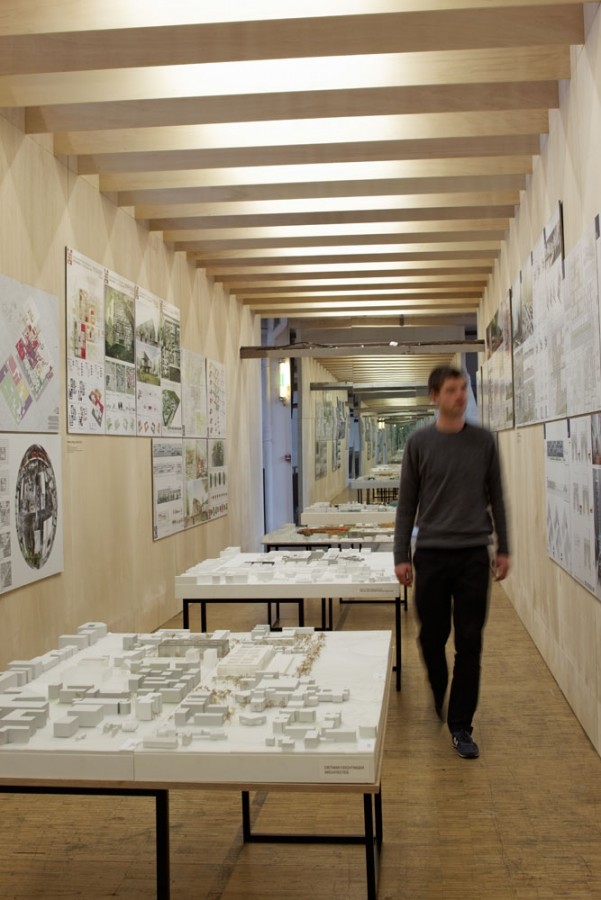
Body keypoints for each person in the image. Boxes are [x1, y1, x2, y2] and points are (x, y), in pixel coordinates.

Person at [393, 365, 510, 759]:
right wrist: (400, 557)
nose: (460, 396)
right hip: (431, 554)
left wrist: (504, 548)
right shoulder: (419, 443)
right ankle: (439, 682)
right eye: (451, 390)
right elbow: (406, 505)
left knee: (470, 643)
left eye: (463, 389)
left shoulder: (484, 442)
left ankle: (461, 725)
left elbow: (497, 496)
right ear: (434, 397)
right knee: (431, 636)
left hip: (474, 555)